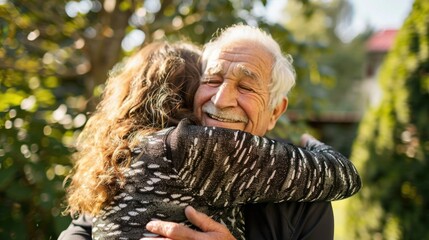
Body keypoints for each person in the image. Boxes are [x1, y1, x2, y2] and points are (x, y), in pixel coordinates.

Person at [60, 26, 360, 240]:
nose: (221, 99)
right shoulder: (184, 147)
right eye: (212, 80)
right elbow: (344, 175)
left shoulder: (122, 161)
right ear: (186, 97)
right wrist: (318, 147)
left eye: (245, 86)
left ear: (275, 111)